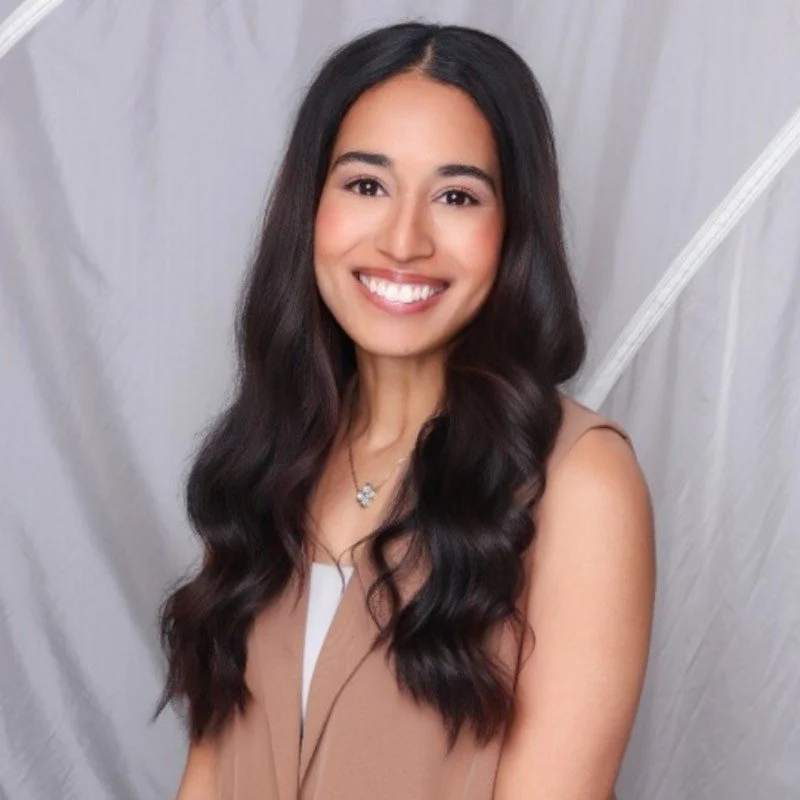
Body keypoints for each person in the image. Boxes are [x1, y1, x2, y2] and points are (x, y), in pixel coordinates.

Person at [155, 21, 655, 800]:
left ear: (512, 230)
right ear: (310, 205)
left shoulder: (582, 481)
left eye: (456, 196)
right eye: (366, 185)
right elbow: (210, 772)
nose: (403, 239)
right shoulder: (268, 459)